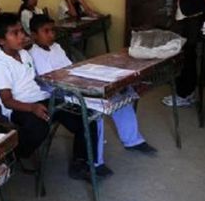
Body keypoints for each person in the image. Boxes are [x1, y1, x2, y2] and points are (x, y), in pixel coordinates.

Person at [0, 12, 109, 181]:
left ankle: (80, 163)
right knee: (39, 128)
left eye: (21, 31)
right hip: (20, 106)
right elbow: (7, 101)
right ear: (1, 40)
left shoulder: (24, 54)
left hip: (41, 98)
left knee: (86, 117)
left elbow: (34, 80)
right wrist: (32, 107)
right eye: (15, 33)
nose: (21, 36)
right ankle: (12, 154)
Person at [29, 14, 156, 163]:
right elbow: (52, 80)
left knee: (120, 95)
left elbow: (70, 67)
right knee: (96, 111)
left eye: (53, 30)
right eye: (46, 31)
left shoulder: (56, 47)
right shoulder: (34, 53)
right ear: (34, 35)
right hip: (60, 93)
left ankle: (133, 140)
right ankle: (95, 162)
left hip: (74, 84)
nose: (51, 35)